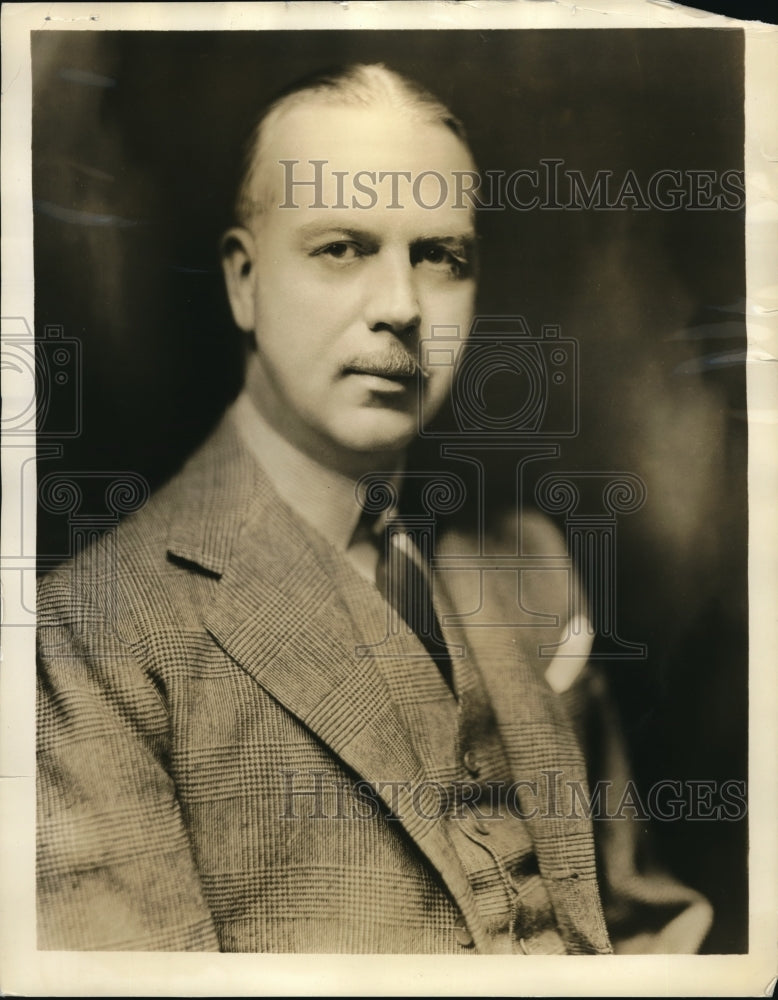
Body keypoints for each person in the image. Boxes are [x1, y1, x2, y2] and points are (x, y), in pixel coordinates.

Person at [36, 63, 712, 954]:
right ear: (244, 282)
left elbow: (638, 922)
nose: (399, 308)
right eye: (341, 248)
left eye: (440, 257)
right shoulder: (88, 635)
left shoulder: (527, 563)